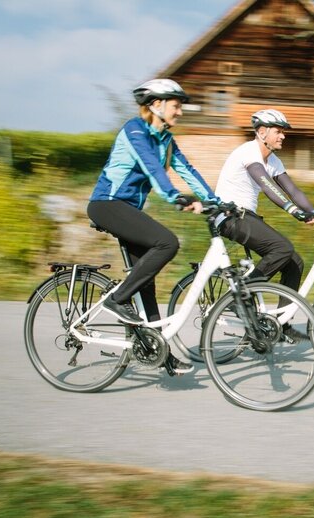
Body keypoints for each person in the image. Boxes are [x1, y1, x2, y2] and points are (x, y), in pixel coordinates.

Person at [87, 78, 218, 376]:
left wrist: (216, 202)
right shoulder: (135, 129)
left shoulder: (166, 141)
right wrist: (175, 197)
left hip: (127, 210)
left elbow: (188, 170)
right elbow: (152, 167)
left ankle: (159, 352)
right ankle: (115, 300)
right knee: (167, 243)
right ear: (156, 105)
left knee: (145, 281)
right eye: (176, 105)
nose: (180, 112)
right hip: (107, 204)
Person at [213, 109, 314, 338]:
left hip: (246, 216)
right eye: (278, 131)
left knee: (294, 263)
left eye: (283, 132)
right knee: (282, 248)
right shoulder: (249, 152)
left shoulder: (273, 160)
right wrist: (294, 211)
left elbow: (292, 189)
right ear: (262, 132)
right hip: (230, 216)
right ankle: (240, 295)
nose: (283, 136)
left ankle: (282, 323)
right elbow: (266, 184)